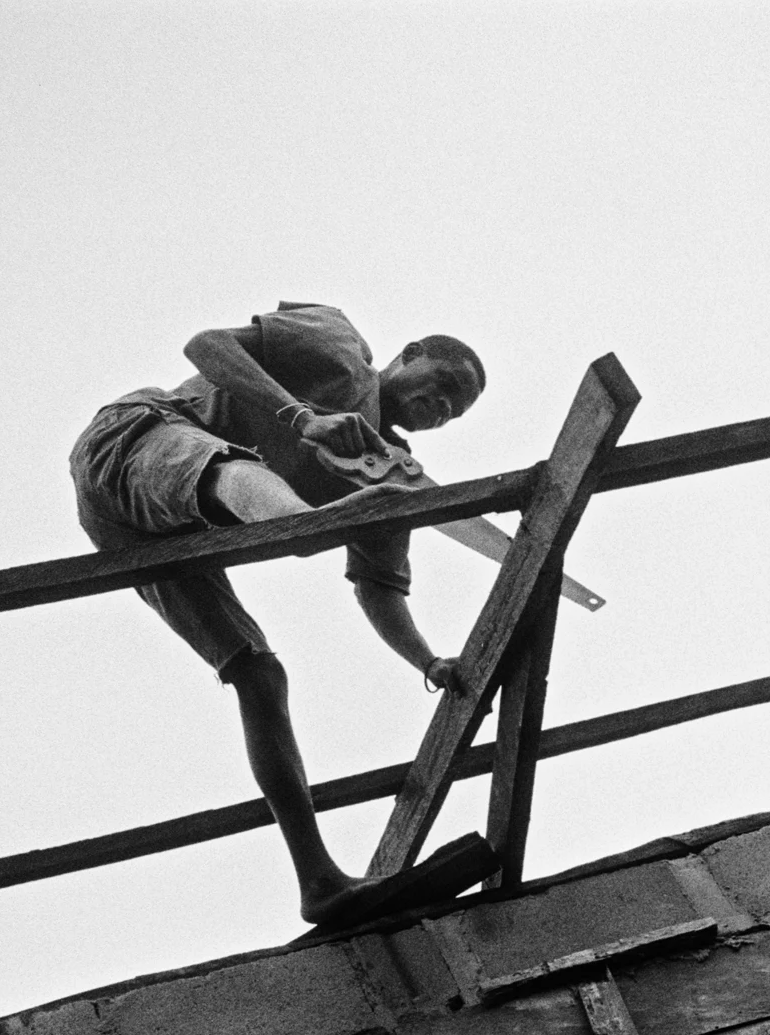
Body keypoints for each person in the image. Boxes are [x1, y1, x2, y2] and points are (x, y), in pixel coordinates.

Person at [70, 302, 486, 926]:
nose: (443, 409)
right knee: (229, 466)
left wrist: (428, 659)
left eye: (455, 411)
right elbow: (205, 342)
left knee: (261, 678)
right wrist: (302, 415)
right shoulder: (338, 346)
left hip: (163, 535)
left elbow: (379, 591)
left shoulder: (385, 474)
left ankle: (319, 883)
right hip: (138, 441)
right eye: (446, 385)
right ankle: (298, 524)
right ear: (409, 355)